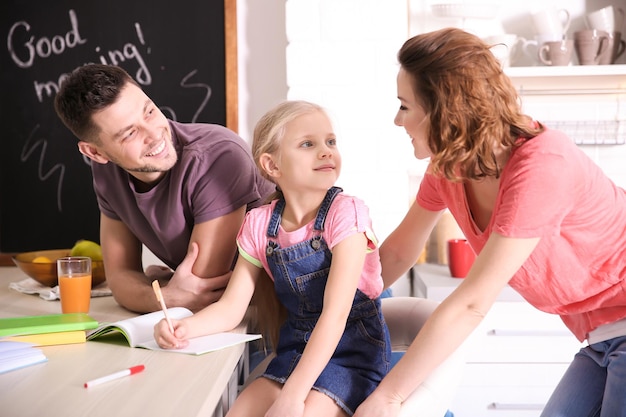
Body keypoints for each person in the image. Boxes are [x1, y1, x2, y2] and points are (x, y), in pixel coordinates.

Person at [354, 27, 626, 417]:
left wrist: (389, 398)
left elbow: (472, 303)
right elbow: (398, 251)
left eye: (404, 105)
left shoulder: (542, 164)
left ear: (445, 111)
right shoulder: (448, 168)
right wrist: (330, 312)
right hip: (600, 336)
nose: (398, 120)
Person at [154, 100, 391, 417]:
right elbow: (230, 308)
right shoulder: (259, 225)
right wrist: (184, 328)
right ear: (272, 165)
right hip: (295, 352)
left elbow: (335, 316)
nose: (326, 151)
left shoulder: (346, 213)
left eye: (330, 142)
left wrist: (293, 397)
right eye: (308, 144)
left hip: (352, 356)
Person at [54, 64, 274, 313]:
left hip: (272, 318)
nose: (154, 134)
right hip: (222, 320)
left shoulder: (218, 156)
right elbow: (120, 278)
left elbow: (201, 290)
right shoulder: (107, 172)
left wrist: (156, 289)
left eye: (149, 111)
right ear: (95, 152)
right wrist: (163, 296)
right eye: (129, 134)